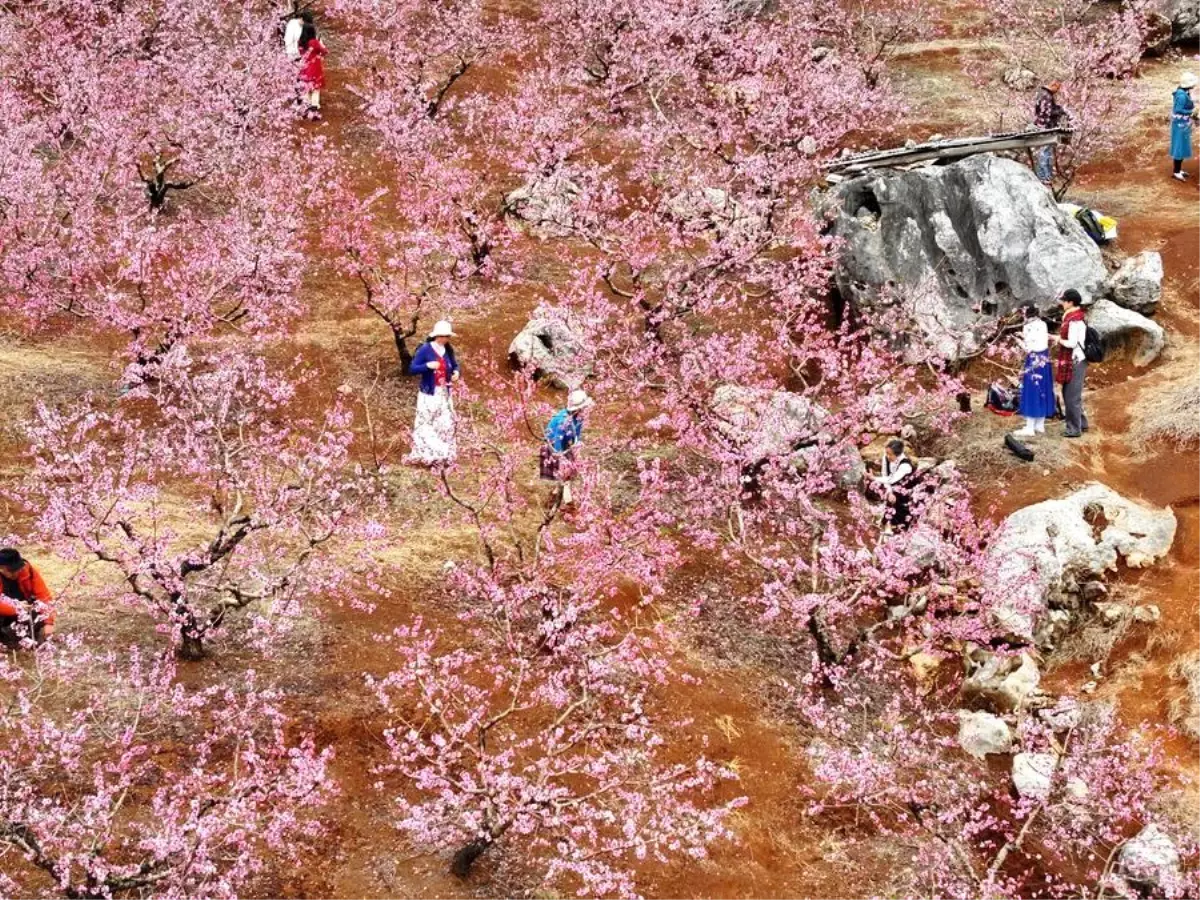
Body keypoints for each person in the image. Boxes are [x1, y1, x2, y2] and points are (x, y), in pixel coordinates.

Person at [407, 320, 460, 465]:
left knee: (445, 421)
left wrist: (456, 372)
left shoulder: (448, 349)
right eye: (441, 336)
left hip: (444, 392)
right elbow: (412, 368)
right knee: (427, 421)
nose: (444, 339)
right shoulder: (425, 349)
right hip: (429, 393)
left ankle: (444, 454)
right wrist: (427, 366)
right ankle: (427, 454)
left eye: (446, 336)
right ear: (435, 336)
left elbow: (454, 365)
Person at [541, 389, 596, 506]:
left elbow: (577, 433)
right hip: (553, 444)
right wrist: (561, 458)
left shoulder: (579, 417)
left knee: (570, 470)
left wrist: (576, 447)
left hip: (565, 442)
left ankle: (555, 494)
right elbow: (557, 440)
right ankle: (567, 501)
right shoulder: (563, 420)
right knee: (564, 472)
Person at [1013, 305, 1055, 438]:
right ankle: (1039, 425)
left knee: (1032, 391)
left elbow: (1029, 347)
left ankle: (1030, 427)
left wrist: (1018, 341)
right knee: (1043, 389)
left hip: (1033, 360)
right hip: (1044, 359)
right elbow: (1040, 341)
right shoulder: (1043, 324)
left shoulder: (1028, 326)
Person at [0, 548, 55, 648]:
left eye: (18, 568)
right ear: (1, 568)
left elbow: (44, 596)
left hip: (22, 610)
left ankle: (22, 638)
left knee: (37, 615)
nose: (17, 572)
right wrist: (16, 607)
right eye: (12, 570)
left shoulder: (28, 570)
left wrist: (49, 623)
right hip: (6, 612)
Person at [1055, 289, 1089, 438]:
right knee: (1070, 394)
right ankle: (1082, 423)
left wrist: (1058, 340)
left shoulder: (1074, 320)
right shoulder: (1073, 317)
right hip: (1074, 360)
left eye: (1064, 300)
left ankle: (1074, 429)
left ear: (1071, 302)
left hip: (1076, 360)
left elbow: (1072, 343)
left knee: (1071, 396)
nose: (1062, 303)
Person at [872, 439, 916, 531]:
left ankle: (896, 525)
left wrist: (873, 477)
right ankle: (885, 522)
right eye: (887, 453)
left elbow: (892, 480)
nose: (887, 456)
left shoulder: (905, 465)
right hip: (892, 487)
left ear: (898, 454)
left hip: (906, 492)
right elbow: (885, 475)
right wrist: (889, 492)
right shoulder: (886, 458)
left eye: (890, 454)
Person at [1033, 80, 1067, 184]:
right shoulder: (1046, 96)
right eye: (1058, 88)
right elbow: (1045, 113)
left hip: (1044, 126)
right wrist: (1059, 112)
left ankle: (1045, 175)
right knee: (1045, 151)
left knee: (1046, 151)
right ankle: (1043, 176)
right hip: (1046, 127)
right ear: (1053, 86)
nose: (1058, 90)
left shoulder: (1044, 94)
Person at [298, 21, 327, 121]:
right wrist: (321, 44)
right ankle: (314, 107)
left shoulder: (300, 42)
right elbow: (324, 51)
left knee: (306, 88)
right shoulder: (314, 42)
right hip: (315, 68)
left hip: (304, 68)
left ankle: (306, 108)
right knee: (315, 89)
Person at [1171, 72, 1197, 181]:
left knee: (1181, 147)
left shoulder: (1183, 92)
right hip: (1180, 124)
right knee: (1179, 147)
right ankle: (1176, 172)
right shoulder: (1182, 95)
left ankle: (1178, 170)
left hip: (1182, 123)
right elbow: (1178, 110)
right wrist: (1192, 112)